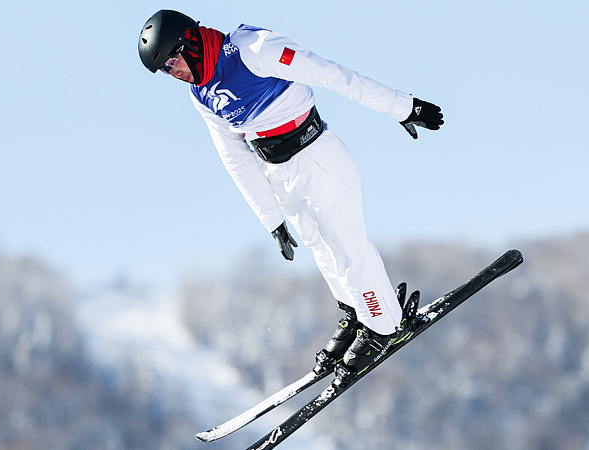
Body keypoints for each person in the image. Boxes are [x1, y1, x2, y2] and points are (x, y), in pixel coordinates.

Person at [138, 10, 443, 384]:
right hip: (278, 171)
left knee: (347, 246)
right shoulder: (200, 93)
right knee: (321, 248)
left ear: (190, 42)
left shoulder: (254, 48)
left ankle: (384, 324)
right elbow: (233, 155)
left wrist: (401, 106)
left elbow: (333, 74)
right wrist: (271, 219)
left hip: (316, 155)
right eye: (165, 71)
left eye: (172, 61)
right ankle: (357, 311)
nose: (173, 72)